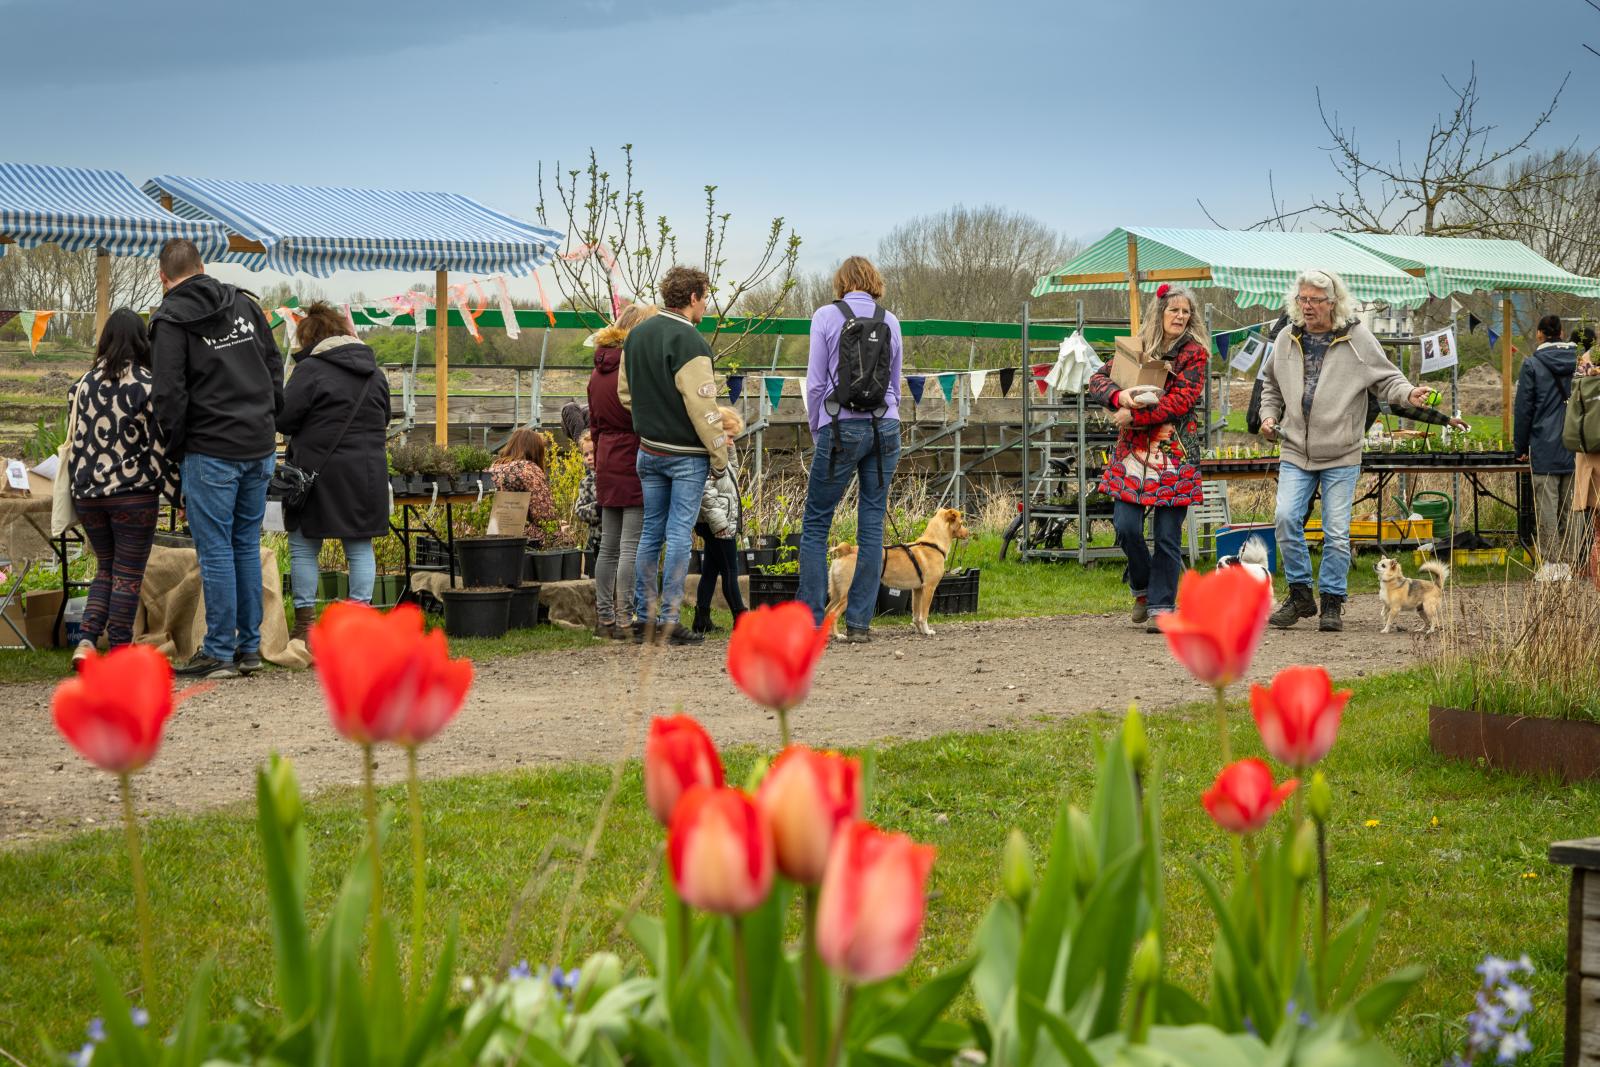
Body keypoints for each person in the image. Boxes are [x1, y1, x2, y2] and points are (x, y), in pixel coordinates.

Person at [1258, 269, 1434, 632]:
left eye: (1316, 300)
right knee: (1287, 519)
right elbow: (1270, 385)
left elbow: (1387, 379)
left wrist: (1408, 393)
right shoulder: (1285, 338)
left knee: (1336, 531)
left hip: (1341, 452)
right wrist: (1268, 415)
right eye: (1303, 299)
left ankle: (1333, 601)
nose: (1307, 307)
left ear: (1333, 302)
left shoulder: (1357, 338)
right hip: (1294, 449)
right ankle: (1301, 595)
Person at [149, 238, 283, 679]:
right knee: (244, 545)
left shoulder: (169, 320)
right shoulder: (244, 305)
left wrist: (177, 447)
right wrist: (269, 417)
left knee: (216, 552)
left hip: (210, 448)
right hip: (258, 444)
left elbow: (168, 393)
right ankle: (248, 647)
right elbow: (273, 363)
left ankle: (220, 649)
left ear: (163, 278)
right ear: (203, 266)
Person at [1086, 284, 1209, 631]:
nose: (1180, 317)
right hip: (1133, 456)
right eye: (1174, 310)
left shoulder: (1195, 354)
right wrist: (1119, 396)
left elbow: (1180, 402)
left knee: (1168, 536)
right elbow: (1096, 380)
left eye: (1186, 312)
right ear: (1160, 313)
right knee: (1126, 527)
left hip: (1174, 453)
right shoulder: (1137, 349)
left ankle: (1162, 606)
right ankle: (1142, 588)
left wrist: (1134, 416)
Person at [618, 267, 728, 646]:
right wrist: (719, 454)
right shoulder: (691, 342)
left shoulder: (636, 336)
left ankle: (642, 616)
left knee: (651, 532)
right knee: (680, 533)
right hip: (685, 455)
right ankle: (669, 619)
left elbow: (625, 393)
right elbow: (704, 406)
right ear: (694, 297)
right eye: (705, 297)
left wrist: (652, 418)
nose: (706, 305)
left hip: (648, 450)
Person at [797, 256, 903, 642]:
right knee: (871, 525)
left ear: (841, 282)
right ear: (875, 281)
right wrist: (890, 419)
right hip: (885, 426)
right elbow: (896, 381)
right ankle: (859, 623)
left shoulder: (825, 316)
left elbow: (814, 382)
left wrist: (816, 427)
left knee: (816, 524)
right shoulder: (890, 320)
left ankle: (810, 622)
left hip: (839, 427)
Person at [65, 309, 177, 669]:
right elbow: (160, 447)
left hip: (87, 495)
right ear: (142, 341)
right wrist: (177, 493)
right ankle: (118, 651)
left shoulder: (80, 386)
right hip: (133, 493)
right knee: (128, 574)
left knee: (105, 568)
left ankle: (84, 642)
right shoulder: (147, 384)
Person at [274, 302, 392, 644]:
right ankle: (359, 626)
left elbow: (284, 419)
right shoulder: (374, 372)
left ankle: (306, 627)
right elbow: (383, 418)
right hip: (367, 473)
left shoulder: (310, 370)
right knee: (359, 546)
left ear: (311, 339)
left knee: (304, 546)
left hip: (317, 474)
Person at [588, 303, 656, 640]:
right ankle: (625, 616)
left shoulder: (598, 370)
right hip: (633, 455)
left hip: (606, 458)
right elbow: (644, 416)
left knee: (608, 546)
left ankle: (604, 618)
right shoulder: (633, 369)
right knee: (631, 546)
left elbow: (594, 422)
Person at [1515, 315, 1579, 580]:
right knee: (1571, 507)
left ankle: (1553, 564)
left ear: (1540, 334)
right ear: (1562, 332)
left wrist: (1520, 446)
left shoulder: (1531, 364)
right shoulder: (1579, 362)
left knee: (1547, 506)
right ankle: (1571, 562)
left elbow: (1524, 410)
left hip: (1544, 444)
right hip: (1576, 444)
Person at [691, 406, 748, 634]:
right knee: (730, 571)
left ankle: (701, 618)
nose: (732, 442)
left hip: (714, 522)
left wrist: (728, 448)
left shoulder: (719, 455)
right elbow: (705, 492)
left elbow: (731, 471)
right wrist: (721, 524)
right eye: (730, 437)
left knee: (711, 570)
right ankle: (741, 617)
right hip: (717, 523)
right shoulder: (706, 456)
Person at [490, 429, 558, 544]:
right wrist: (558, 527)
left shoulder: (494, 466)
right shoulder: (528, 469)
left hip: (489, 530)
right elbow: (544, 514)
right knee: (563, 537)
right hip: (517, 535)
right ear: (536, 451)